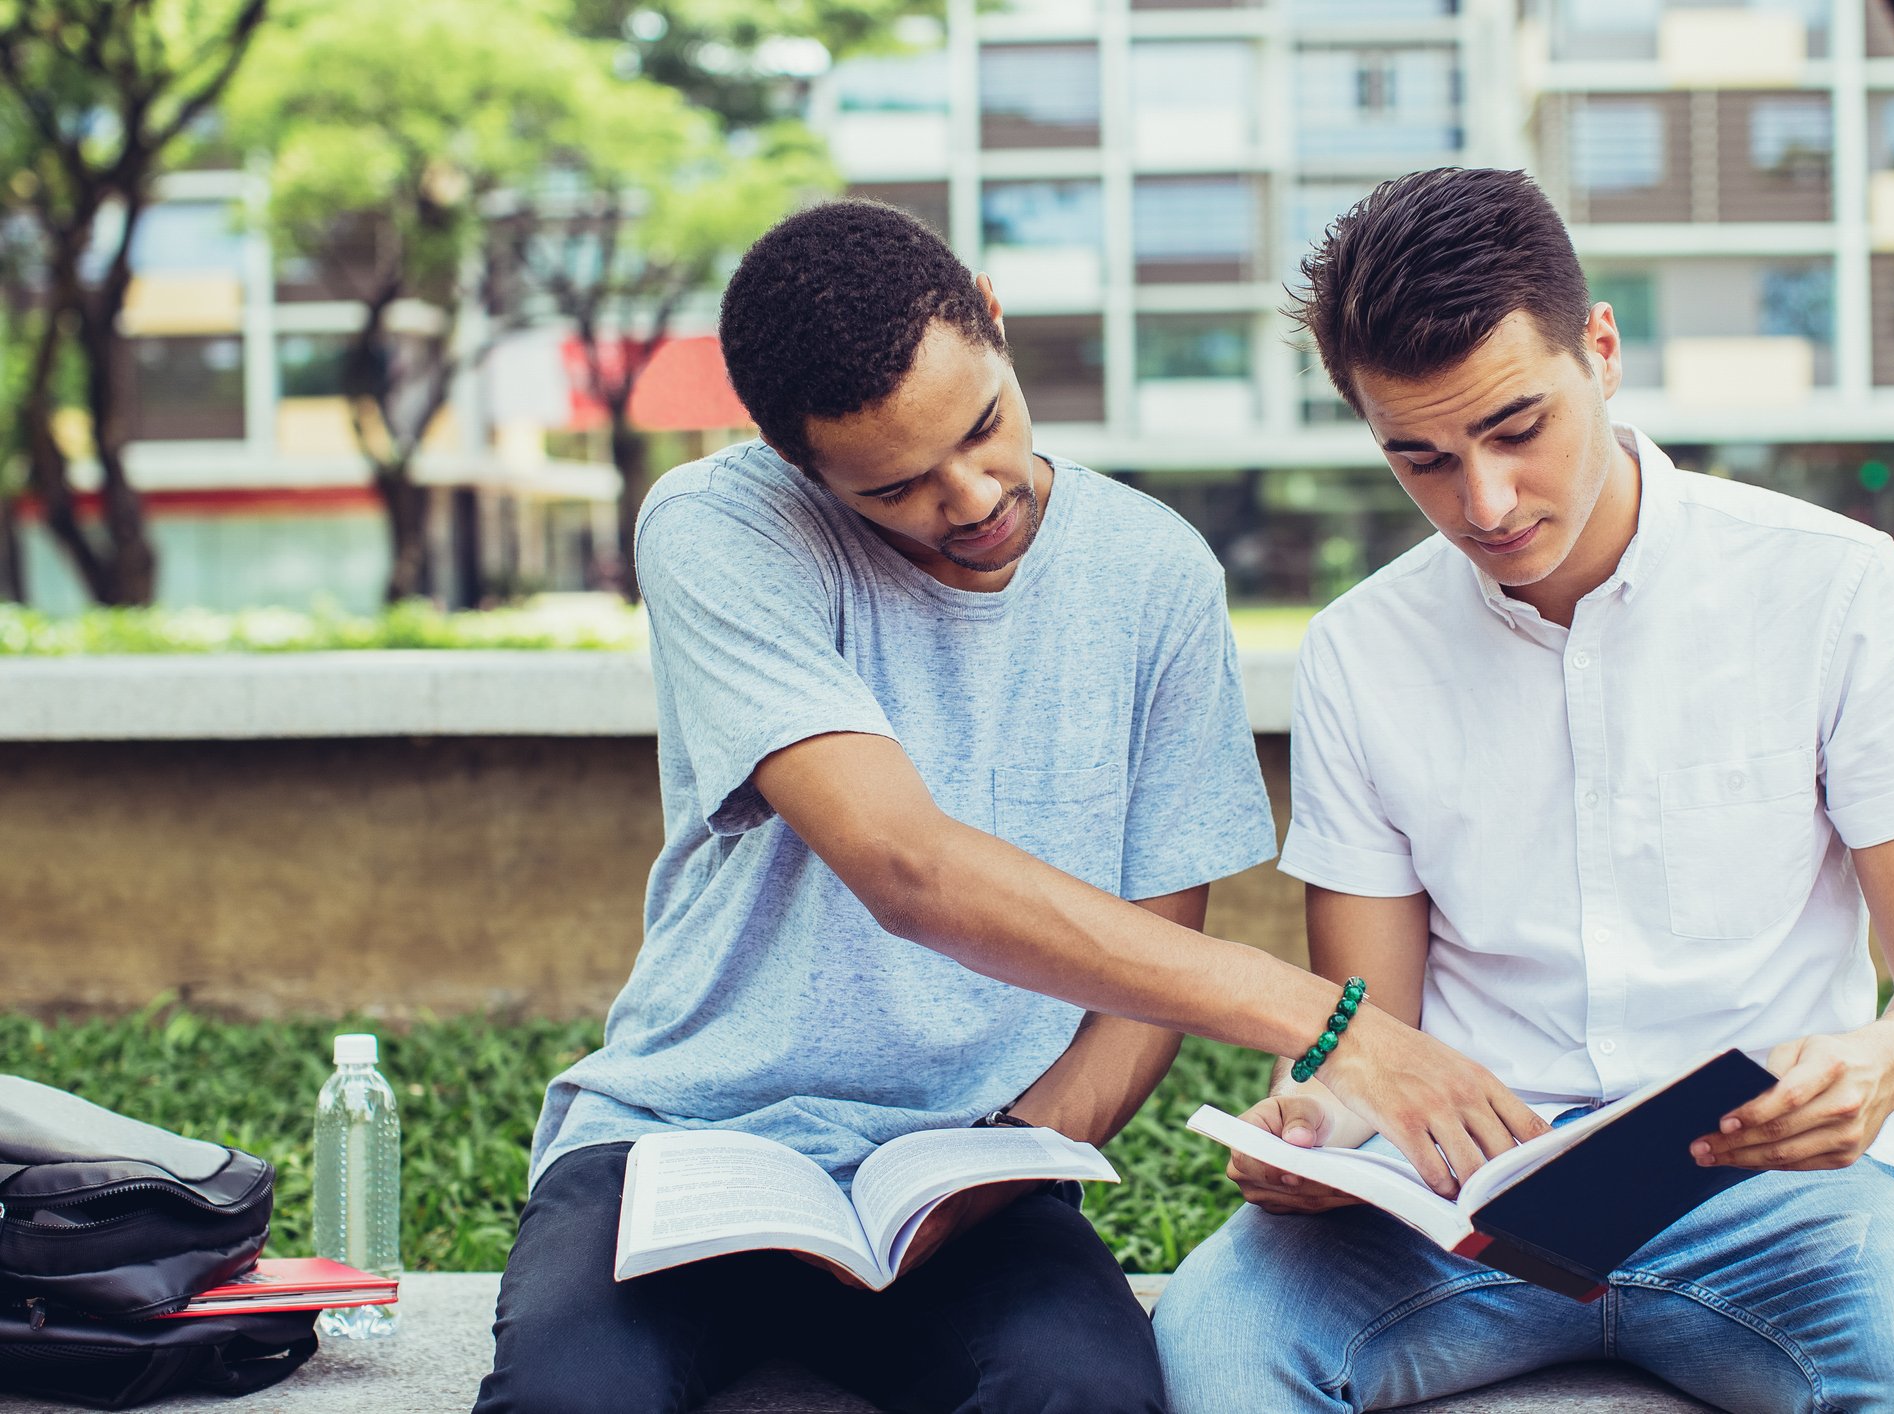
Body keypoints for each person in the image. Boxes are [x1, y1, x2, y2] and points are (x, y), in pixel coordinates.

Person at [474, 200, 1515, 1414]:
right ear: (799, 466)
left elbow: (1148, 961)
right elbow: (905, 865)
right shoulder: (720, 524)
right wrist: (1341, 1025)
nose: (970, 496)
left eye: (983, 427)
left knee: (1086, 1396)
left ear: (996, 320)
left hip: (969, 1163)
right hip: (679, 1147)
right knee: (566, 1402)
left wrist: (1004, 1161)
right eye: (898, 487)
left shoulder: (1156, 572)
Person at [1152, 168, 1894, 1414]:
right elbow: (1374, 1028)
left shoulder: (1834, 587)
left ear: (1604, 348)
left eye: (1518, 429)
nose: (1486, 503)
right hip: (1460, 1205)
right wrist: (1319, 1117)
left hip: (1776, 1203)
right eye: (1421, 458)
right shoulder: (1362, 649)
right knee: (1214, 1344)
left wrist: (1881, 1063)